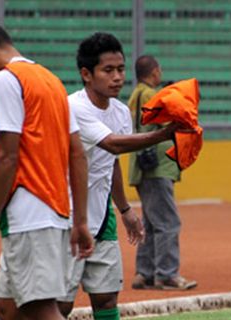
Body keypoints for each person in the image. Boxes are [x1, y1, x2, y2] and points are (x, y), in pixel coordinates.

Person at [0, 21, 94, 320]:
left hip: (30, 213)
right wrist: (80, 221)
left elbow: (8, 158)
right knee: (8, 309)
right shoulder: (51, 80)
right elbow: (78, 155)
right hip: (52, 211)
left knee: (40, 309)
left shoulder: (5, 80)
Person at [56, 33, 181, 319]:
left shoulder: (121, 111)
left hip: (103, 217)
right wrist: (163, 134)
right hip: (67, 216)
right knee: (61, 303)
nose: (117, 77)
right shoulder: (73, 107)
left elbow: (111, 161)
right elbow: (111, 143)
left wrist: (124, 209)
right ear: (86, 74)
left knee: (107, 298)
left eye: (121, 69)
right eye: (108, 70)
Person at [128, 55, 197, 291]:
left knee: (151, 220)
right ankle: (166, 274)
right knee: (168, 222)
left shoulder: (134, 95)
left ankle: (144, 273)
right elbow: (167, 124)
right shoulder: (152, 96)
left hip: (140, 165)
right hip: (157, 165)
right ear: (154, 72)